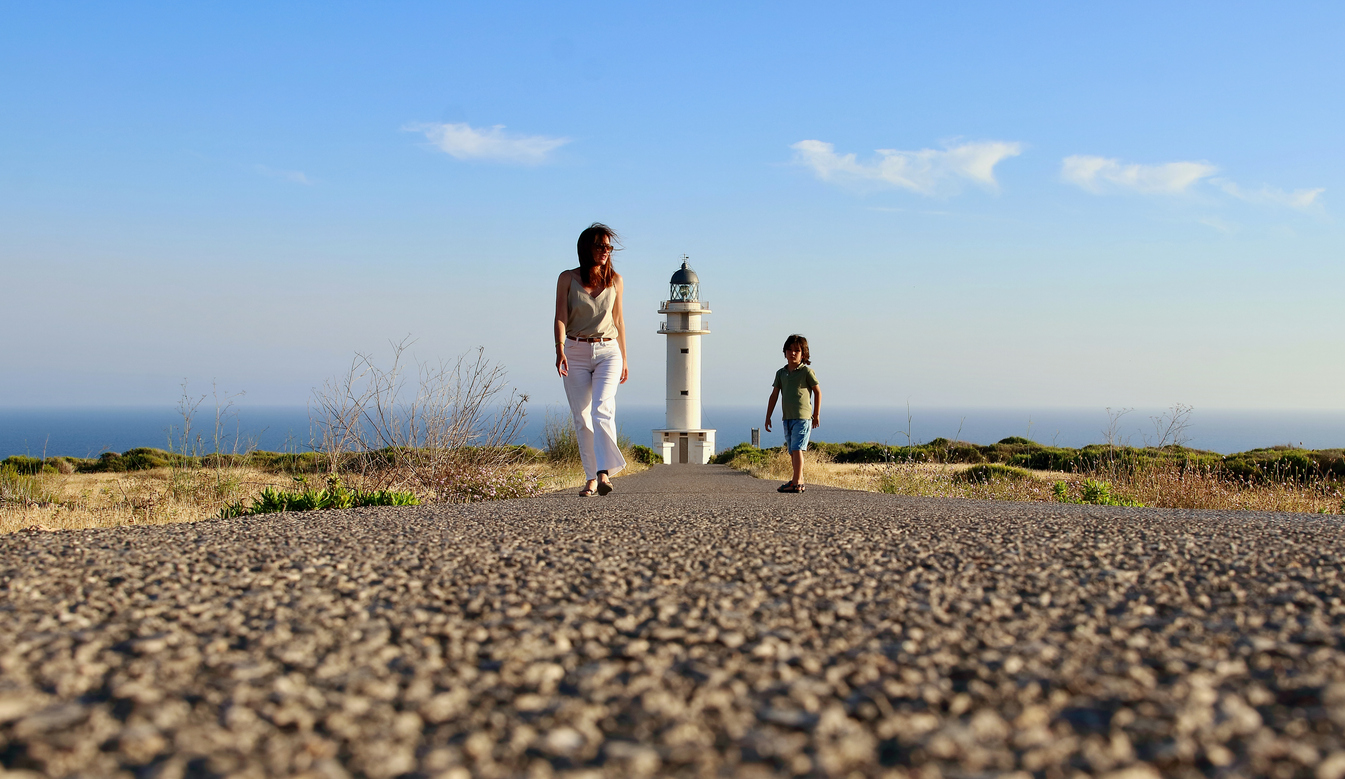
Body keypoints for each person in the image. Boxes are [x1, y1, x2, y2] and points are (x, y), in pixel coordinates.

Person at [554, 223, 628, 497]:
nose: (606, 251)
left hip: (608, 351)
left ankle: (604, 473)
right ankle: (591, 478)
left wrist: (625, 358)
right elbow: (560, 316)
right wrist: (559, 348)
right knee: (582, 418)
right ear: (587, 248)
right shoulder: (566, 278)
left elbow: (618, 321)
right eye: (600, 246)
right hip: (574, 351)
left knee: (602, 409)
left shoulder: (616, 280)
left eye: (609, 247)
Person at [764, 334, 821, 493]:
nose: (793, 353)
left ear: (804, 354)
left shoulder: (806, 372)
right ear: (785, 352)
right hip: (787, 417)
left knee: (797, 449)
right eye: (789, 349)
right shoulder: (781, 373)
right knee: (792, 451)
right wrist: (768, 416)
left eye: (797, 350)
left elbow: (818, 392)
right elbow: (774, 395)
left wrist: (816, 414)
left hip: (803, 417)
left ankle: (795, 482)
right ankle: (799, 480)